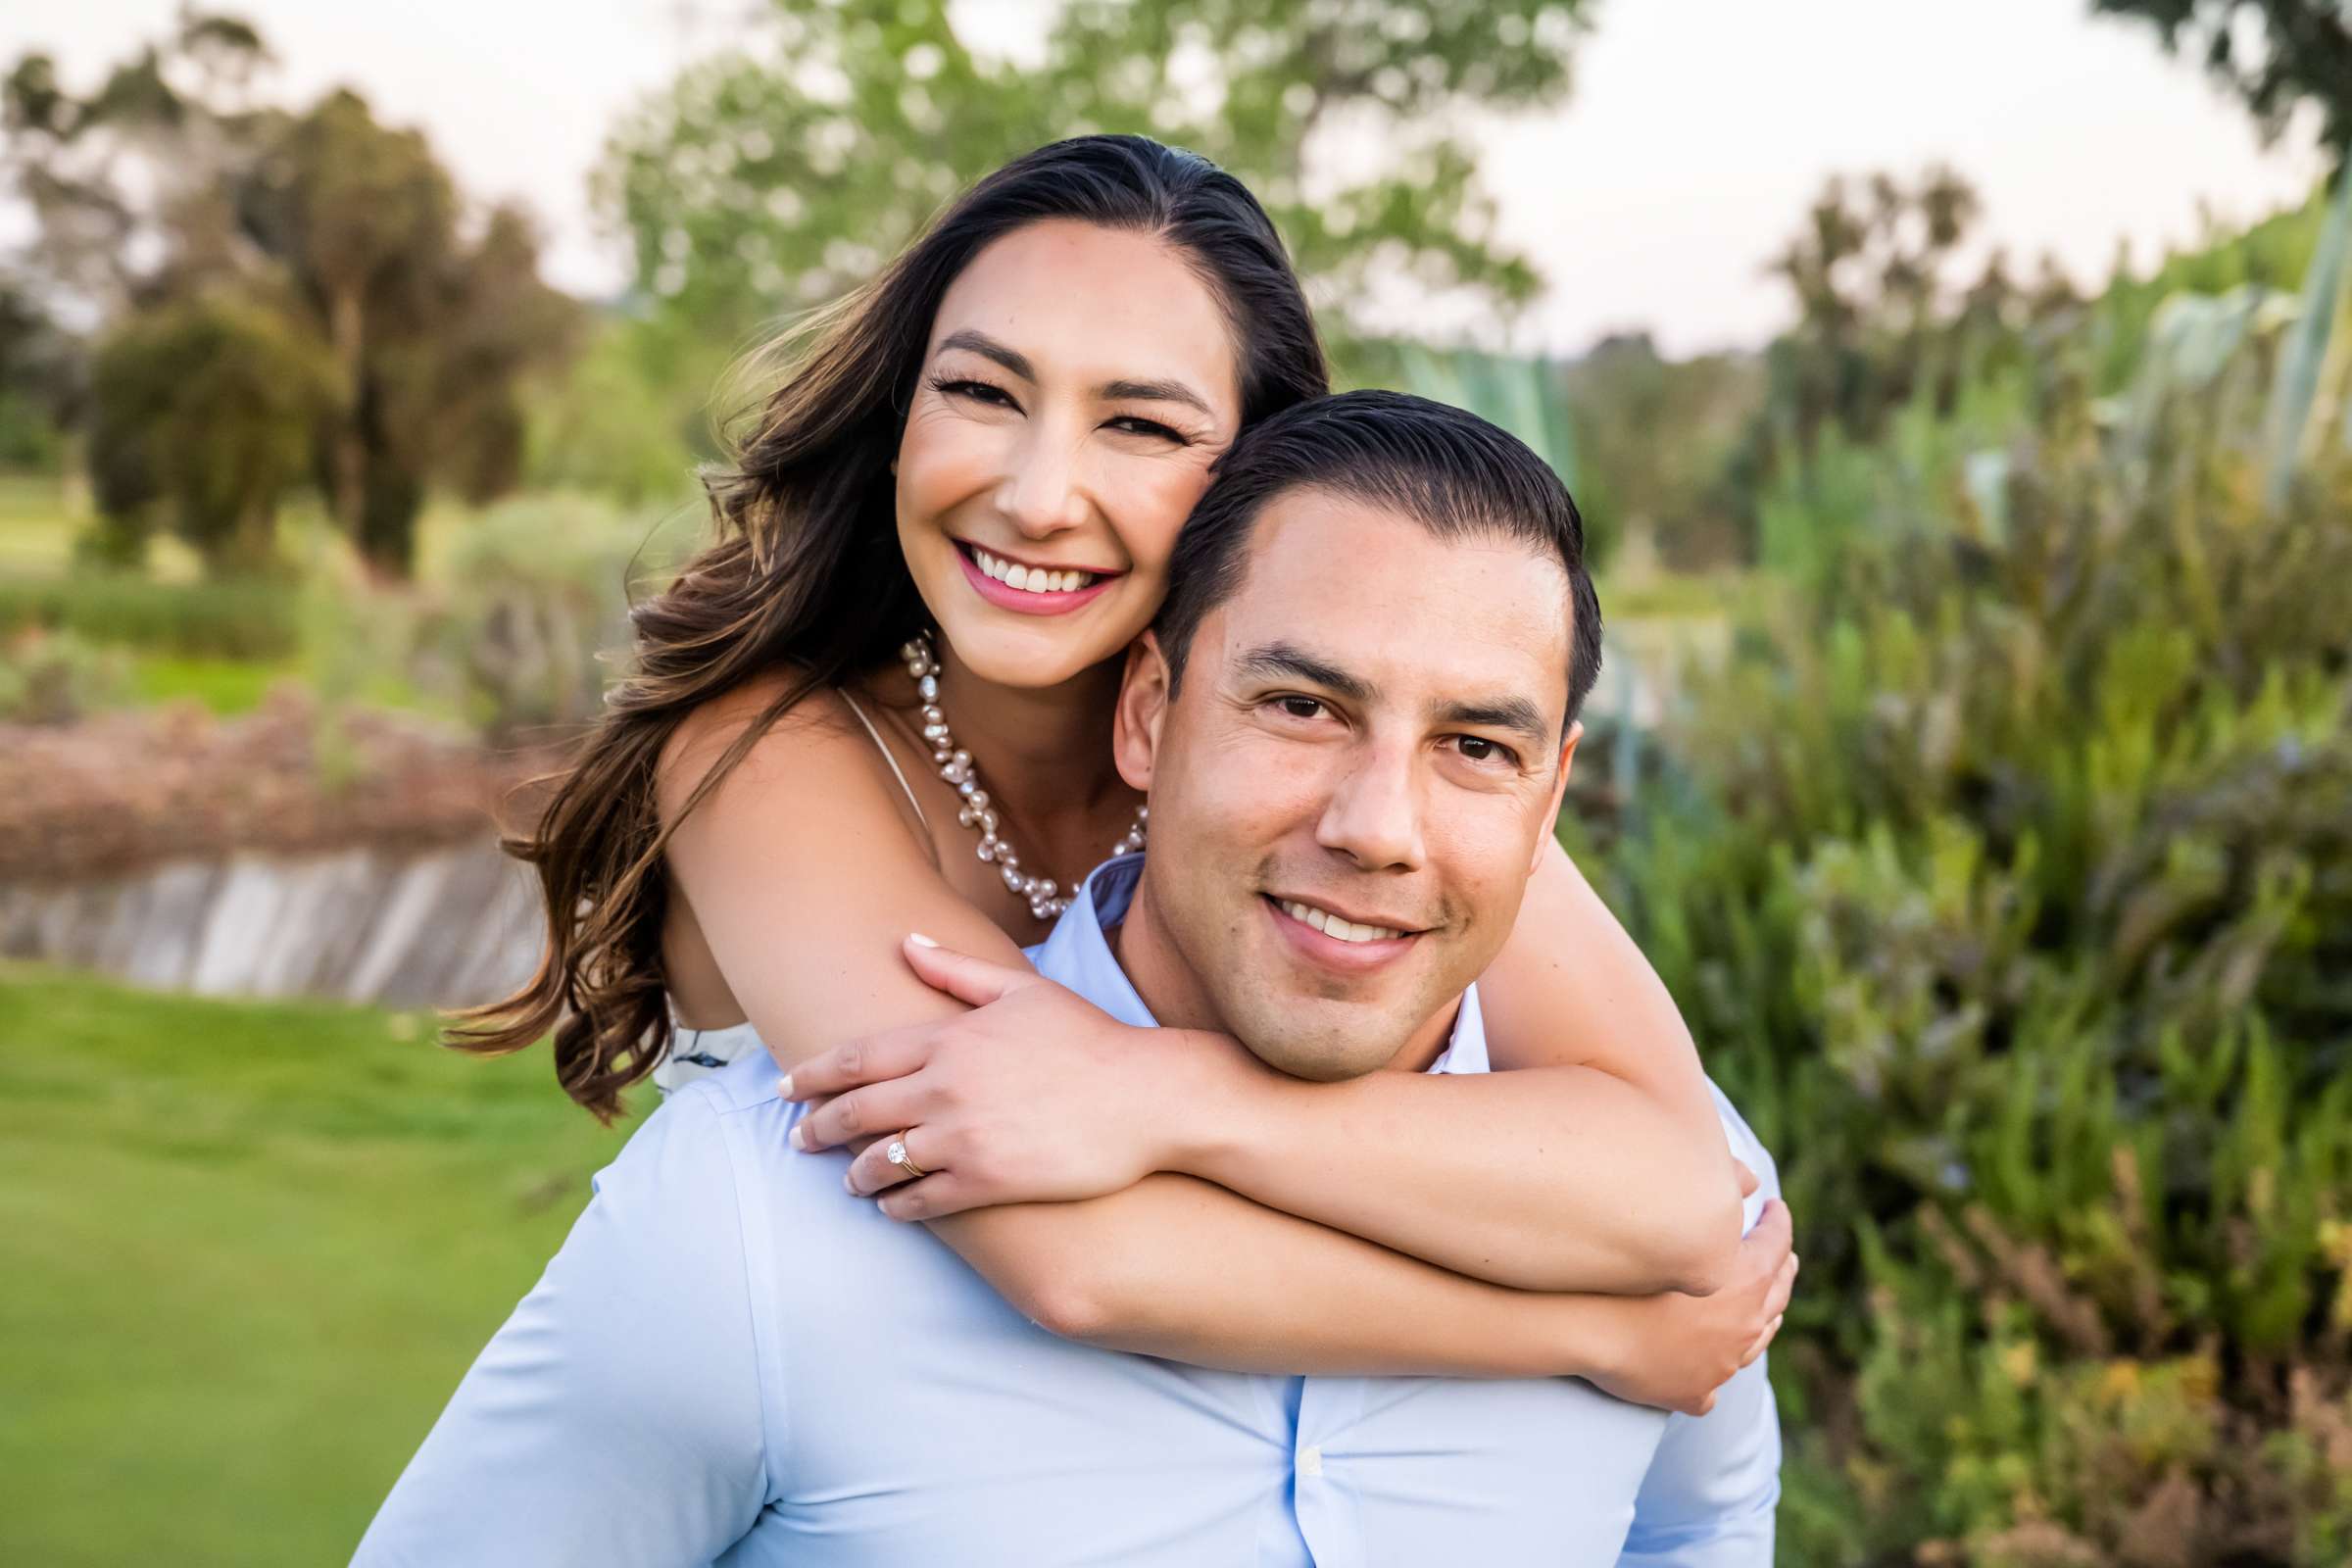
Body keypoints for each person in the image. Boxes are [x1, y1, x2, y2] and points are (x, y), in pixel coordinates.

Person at [359, 391, 1790, 1566]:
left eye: (1476, 747)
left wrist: (1163, 1096)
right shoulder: (760, 1223)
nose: (1377, 826)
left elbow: (1700, 1532)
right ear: (1151, 715)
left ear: (1549, 806)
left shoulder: (1685, 1234)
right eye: (1301, 707)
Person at [452, 132, 1765, 1379]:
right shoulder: (767, 752)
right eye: (981, 391)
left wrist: (1160, 1093)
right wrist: (1591, 1343)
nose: (1035, 493)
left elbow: (1680, 1188)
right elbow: (1074, 1258)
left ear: (1259, 474)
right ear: (902, 415)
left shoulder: (1324, 765)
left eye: (1137, 425)